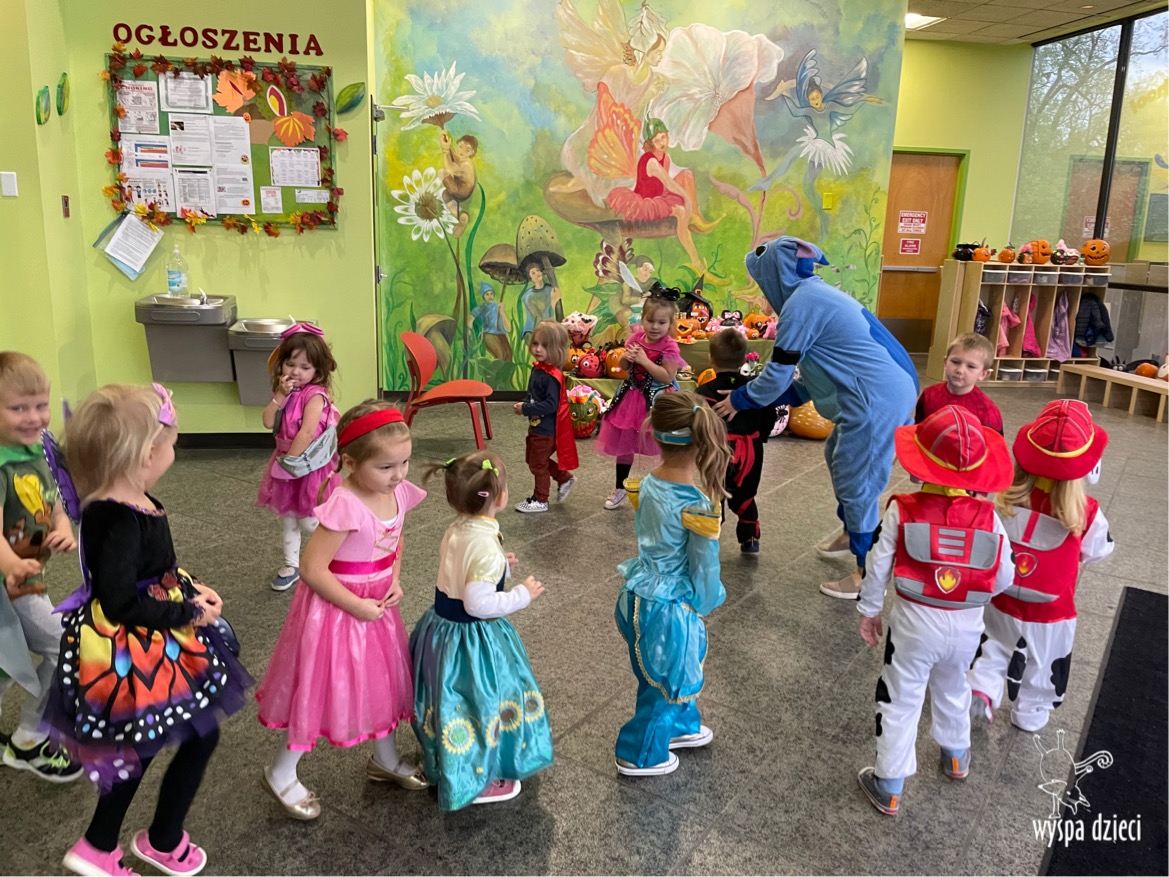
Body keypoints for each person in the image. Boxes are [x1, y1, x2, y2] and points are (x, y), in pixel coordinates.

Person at [47, 384, 250, 876]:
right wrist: (187, 614)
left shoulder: (128, 500)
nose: (175, 452)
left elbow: (153, 571)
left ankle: (131, 839)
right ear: (146, 455)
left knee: (164, 740)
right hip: (136, 649)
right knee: (165, 740)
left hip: (154, 635)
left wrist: (192, 590)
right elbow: (121, 601)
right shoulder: (118, 518)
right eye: (172, 444)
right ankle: (131, 841)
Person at [712, 237, 919, 600]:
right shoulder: (811, 295)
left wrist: (741, 400)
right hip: (880, 390)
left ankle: (867, 573)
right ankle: (852, 531)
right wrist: (778, 398)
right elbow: (818, 369)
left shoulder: (802, 304)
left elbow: (778, 373)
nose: (763, 293)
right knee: (837, 454)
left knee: (858, 481)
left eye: (762, 282)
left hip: (877, 399)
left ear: (776, 274)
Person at [257, 401, 429, 821]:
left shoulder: (396, 492)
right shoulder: (346, 503)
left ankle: (385, 758)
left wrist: (394, 579)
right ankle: (280, 772)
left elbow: (396, 540)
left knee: (382, 680)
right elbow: (312, 569)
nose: (399, 475)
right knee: (317, 688)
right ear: (350, 463)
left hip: (376, 606)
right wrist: (356, 606)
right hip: (337, 611)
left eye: (405, 462)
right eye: (386, 467)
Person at [856, 406, 1016, 817]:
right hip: (967, 626)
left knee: (900, 697)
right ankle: (956, 756)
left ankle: (890, 783)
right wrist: (972, 595)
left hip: (913, 626)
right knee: (954, 685)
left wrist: (870, 610)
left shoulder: (902, 508)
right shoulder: (989, 517)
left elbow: (878, 564)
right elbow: (1005, 575)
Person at [410, 451, 552, 809]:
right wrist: (521, 595)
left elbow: (460, 571)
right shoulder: (485, 545)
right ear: (498, 496)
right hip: (471, 640)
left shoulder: (457, 528)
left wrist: (501, 566)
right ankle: (480, 777)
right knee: (481, 701)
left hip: (440, 629)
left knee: (451, 702)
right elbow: (478, 604)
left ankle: (444, 758)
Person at [967, 400, 1113, 732]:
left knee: (994, 647)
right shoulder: (1085, 511)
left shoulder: (1005, 499)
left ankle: (982, 689)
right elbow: (1097, 552)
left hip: (1001, 600)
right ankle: (1030, 714)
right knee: (1045, 664)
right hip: (1052, 613)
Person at [613, 392, 730, 776]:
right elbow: (705, 565)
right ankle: (639, 753)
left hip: (638, 593)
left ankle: (681, 726)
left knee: (667, 669)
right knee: (665, 680)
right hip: (669, 608)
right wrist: (707, 599)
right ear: (701, 442)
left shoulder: (648, 482)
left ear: (657, 434)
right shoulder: (696, 504)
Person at [0, 352, 81, 782]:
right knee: (65, 647)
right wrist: (13, 564)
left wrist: (63, 527)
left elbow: (54, 502)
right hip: (11, 583)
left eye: (40, 405)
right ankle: (29, 739)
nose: (33, 417)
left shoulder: (35, 448)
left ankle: (29, 734)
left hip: (27, 576)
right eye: (18, 408)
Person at [256, 322, 339, 592]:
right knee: (288, 518)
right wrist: (280, 395)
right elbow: (268, 421)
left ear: (317, 371)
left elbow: (306, 433)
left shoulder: (315, 396)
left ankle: (335, 552)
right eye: (290, 364)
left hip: (304, 466)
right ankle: (292, 564)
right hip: (285, 462)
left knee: (309, 519)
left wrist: (288, 465)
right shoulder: (286, 392)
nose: (296, 372)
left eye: (305, 367)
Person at [596, 291, 687, 510]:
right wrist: (626, 359)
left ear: (670, 324)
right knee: (624, 443)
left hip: (658, 401)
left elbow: (667, 377)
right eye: (650, 320)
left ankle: (666, 488)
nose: (655, 326)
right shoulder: (635, 339)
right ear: (642, 319)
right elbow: (624, 368)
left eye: (661, 322)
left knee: (662, 445)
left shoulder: (669, 347)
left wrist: (645, 361)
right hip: (631, 397)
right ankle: (620, 487)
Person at [697, 330, 777, 553]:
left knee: (716, 491)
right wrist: (761, 436)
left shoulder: (703, 391)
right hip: (751, 449)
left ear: (711, 359)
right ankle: (749, 537)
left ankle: (712, 535)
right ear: (744, 359)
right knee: (746, 493)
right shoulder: (754, 389)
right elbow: (769, 414)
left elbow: (697, 421)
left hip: (717, 449)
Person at [605, 118, 714, 270]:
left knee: (687, 175)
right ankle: (696, 263)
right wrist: (687, 199)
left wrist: (686, 197)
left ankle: (696, 216)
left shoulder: (665, 157)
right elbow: (669, 183)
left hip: (660, 193)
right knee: (681, 211)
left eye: (663, 137)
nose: (662, 142)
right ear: (650, 144)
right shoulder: (651, 161)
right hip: (648, 201)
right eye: (657, 141)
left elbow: (668, 181)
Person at [512, 321, 578, 513]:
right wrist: (526, 403)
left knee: (537, 463)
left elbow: (551, 405)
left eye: (545, 345)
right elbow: (534, 394)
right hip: (537, 425)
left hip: (547, 429)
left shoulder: (551, 376)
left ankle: (540, 499)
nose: (538, 349)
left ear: (557, 349)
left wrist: (526, 408)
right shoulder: (539, 369)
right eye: (535, 343)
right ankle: (564, 478)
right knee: (533, 459)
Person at [914, 333, 1003, 434]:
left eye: (971, 366)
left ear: (983, 374)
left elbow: (995, 442)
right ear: (945, 362)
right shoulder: (929, 395)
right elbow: (917, 430)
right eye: (955, 362)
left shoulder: (987, 411)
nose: (960, 370)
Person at [438, 130, 478, 236]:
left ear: (472, 153)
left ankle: (460, 215)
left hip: (461, 191)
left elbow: (450, 168)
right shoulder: (463, 159)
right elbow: (454, 158)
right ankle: (461, 216)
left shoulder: (466, 164)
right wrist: (447, 145)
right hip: (460, 189)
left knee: (442, 173)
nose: (462, 151)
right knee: (445, 195)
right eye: (460, 146)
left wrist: (445, 150)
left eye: (467, 149)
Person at [518, 263, 563, 343]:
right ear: (531, 279)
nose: (537, 273)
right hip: (533, 331)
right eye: (533, 273)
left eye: (538, 270)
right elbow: (540, 320)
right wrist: (553, 302)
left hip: (549, 328)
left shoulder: (550, 289)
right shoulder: (528, 296)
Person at [471, 282, 512, 361]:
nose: (490, 296)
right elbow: (470, 319)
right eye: (487, 294)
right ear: (483, 296)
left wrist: (502, 312)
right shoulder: (481, 308)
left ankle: (502, 369)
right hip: (488, 334)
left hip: (501, 335)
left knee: (508, 355)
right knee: (500, 354)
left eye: (491, 294)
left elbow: (508, 328)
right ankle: (495, 369)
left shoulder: (499, 306)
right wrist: (468, 333)